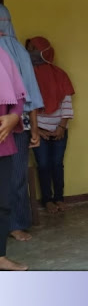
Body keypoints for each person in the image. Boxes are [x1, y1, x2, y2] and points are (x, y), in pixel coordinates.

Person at [0, 5, 44, 240]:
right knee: (12, 178)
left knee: (15, 177)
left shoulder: (17, 52)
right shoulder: (16, 52)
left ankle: (15, 223)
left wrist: (33, 128)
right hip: (15, 123)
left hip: (16, 124)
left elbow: (27, 95)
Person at [27, 37, 75, 214]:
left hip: (59, 129)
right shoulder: (27, 77)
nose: (31, 54)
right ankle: (47, 200)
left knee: (57, 164)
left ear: (45, 51)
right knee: (44, 164)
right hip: (38, 130)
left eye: (34, 49)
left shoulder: (59, 74)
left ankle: (59, 198)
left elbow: (67, 102)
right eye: (29, 49)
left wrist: (61, 127)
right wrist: (37, 130)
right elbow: (25, 106)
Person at [0, 46, 29, 270]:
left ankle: (0, 256)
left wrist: (13, 117)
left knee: (3, 202)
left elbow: (18, 96)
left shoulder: (2, 55)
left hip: (2, 142)